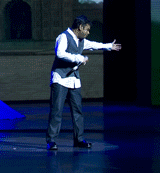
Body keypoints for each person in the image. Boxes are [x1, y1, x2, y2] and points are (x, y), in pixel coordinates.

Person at [46, 15, 121, 151]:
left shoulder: (81, 40)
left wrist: (109, 46)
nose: (88, 32)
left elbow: (93, 45)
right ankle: (51, 140)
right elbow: (60, 53)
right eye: (87, 29)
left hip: (74, 79)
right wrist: (78, 57)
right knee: (57, 110)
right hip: (60, 78)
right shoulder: (63, 37)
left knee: (77, 111)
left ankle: (79, 139)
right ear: (80, 27)